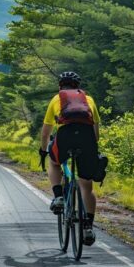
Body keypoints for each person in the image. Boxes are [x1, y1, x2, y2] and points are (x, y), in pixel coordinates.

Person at [39, 71, 100, 246]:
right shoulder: (89, 100)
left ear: (60, 86)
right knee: (86, 185)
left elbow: (46, 132)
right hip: (86, 138)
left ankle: (58, 196)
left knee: (54, 161)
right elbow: (96, 134)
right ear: (77, 87)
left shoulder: (56, 99)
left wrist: (43, 150)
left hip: (65, 137)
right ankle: (88, 227)